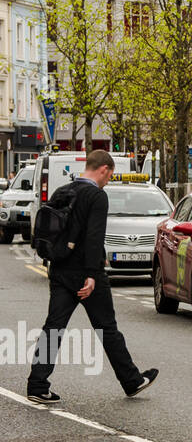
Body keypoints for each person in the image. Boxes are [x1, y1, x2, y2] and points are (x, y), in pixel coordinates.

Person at [26, 150, 158, 404]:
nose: (108, 180)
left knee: (53, 327)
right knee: (107, 328)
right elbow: (94, 236)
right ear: (104, 169)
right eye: (109, 175)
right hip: (86, 273)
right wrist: (92, 275)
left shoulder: (62, 191)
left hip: (60, 270)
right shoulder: (97, 196)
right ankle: (132, 381)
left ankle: (37, 384)